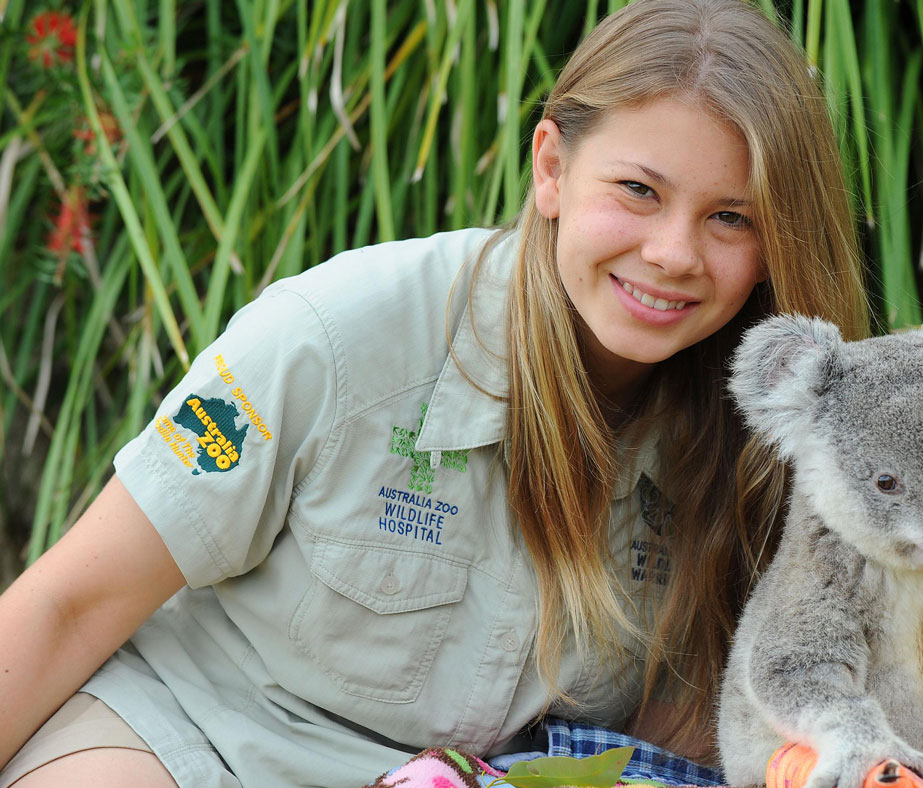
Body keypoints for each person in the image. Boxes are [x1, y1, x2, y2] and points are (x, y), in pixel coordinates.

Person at [0, 0, 869, 785]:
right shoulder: (335, 335)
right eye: (638, 191)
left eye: (731, 217)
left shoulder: (768, 435)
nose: (675, 253)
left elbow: (684, 735)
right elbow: (69, 604)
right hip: (197, 733)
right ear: (551, 168)